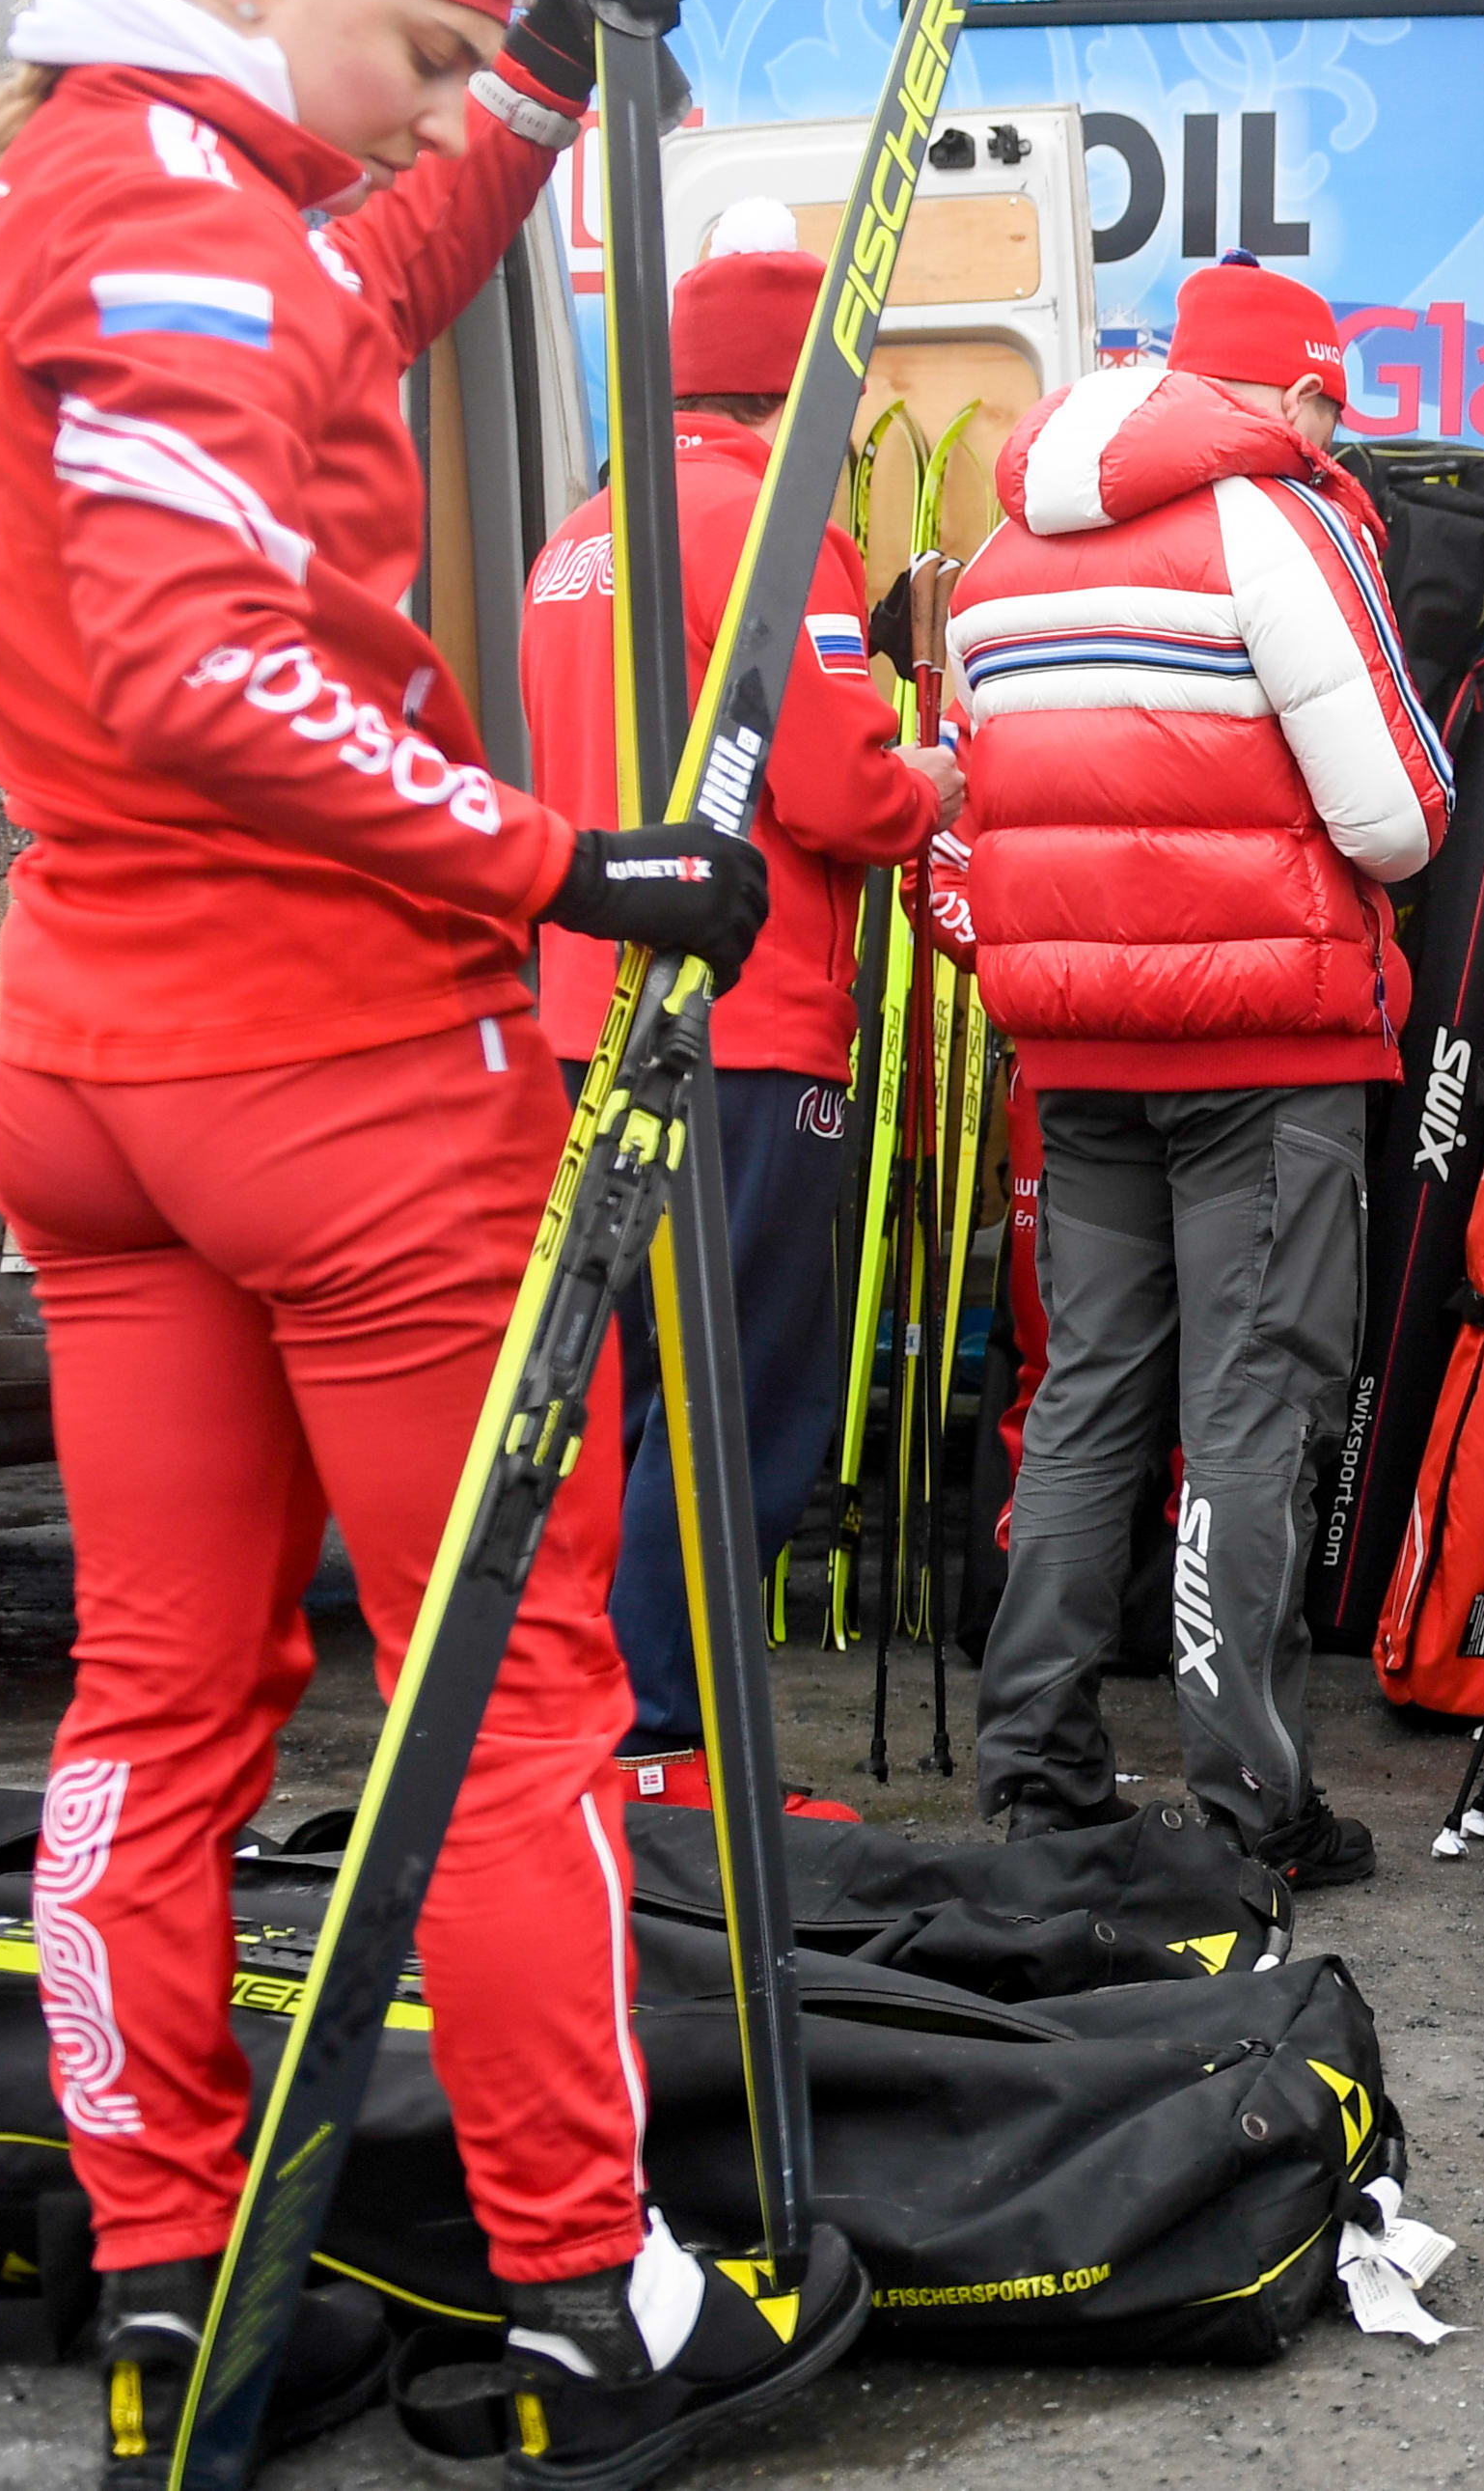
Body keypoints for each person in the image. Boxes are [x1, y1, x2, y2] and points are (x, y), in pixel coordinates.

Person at [0, 0, 862, 2480]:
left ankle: (169, 2280)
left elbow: (342, 316)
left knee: (155, 1697)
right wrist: (571, 857)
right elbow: (201, 659)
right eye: (415, 49)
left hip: (99, 1082)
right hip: (343, 1080)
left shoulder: (96, 187)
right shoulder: (179, 218)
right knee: (507, 1697)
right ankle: (586, 2300)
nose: (427, 115)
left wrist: (526, 80)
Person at [952, 254, 1445, 1887]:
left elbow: (975, 795)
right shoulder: (1282, 519)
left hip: (1072, 1047)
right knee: (1251, 1410)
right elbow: (1395, 814)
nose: (1335, 434)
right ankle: (1250, 1803)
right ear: (1297, 394)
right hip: (1263, 1045)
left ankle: (1035, 1770)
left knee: (1087, 1392)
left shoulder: (998, 550)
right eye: (1329, 407)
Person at [518, 198, 962, 1788]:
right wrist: (935, 773)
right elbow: (842, 795)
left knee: (622, 1400)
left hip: (589, 1025)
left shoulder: (581, 534)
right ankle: (672, 1746)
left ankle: (600, 1733)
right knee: (742, 1407)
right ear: (801, 390)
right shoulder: (778, 530)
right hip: (751, 1025)